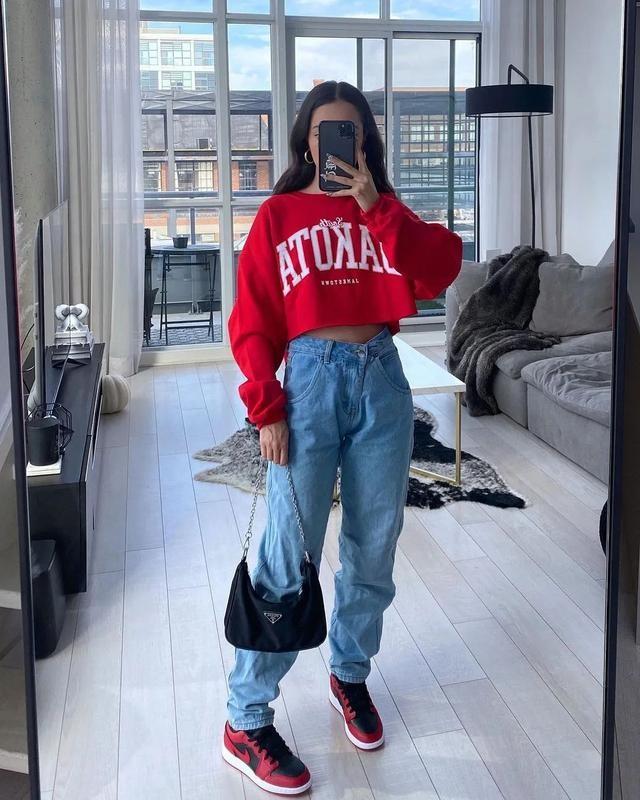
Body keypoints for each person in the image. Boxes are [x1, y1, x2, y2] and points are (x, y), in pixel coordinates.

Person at [222, 79, 463, 795]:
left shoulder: (384, 210)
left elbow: (441, 268)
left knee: (374, 544)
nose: (338, 143)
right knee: (285, 552)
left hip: (382, 380)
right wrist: (266, 406)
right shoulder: (279, 214)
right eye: (325, 131)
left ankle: (349, 674)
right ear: (306, 141)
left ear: (365, 141)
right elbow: (252, 316)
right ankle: (245, 716)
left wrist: (376, 207)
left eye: (350, 131)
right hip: (309, 384)